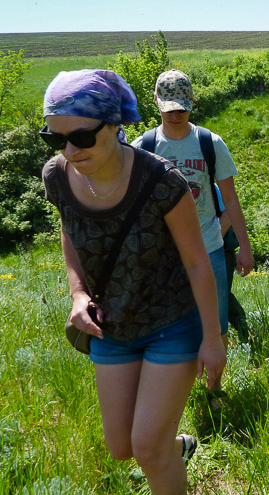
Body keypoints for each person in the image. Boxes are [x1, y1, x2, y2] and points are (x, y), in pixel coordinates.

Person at [40, 69, 225, 494]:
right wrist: (78, 293)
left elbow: (198, 263)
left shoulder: (162, 181)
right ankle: (173, 447)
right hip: (113, 324)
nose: (69, 150)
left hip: (172, 321)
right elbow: (70, 233)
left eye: (83, 137)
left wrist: (212, 339)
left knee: (146, 448)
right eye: (55, 139)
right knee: (122, 447)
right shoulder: (56, 175)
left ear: (115, 125)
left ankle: (161, 451)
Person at [132, 69, 253, 398]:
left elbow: (230, 199)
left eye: (181, 107)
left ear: (192, 102)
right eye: (168, 107)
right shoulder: (142, 147)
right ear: (155, 101)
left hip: (211, 250)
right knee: (168, 328)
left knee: (216, 326)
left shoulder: (209, 143)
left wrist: (244, 246)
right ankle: (174, 393)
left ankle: (214, 390)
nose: (175, 114)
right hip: (163, 257)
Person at [215, 184, 248, 343]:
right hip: (201, 248)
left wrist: (215, 237)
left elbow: (228, 213)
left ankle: (243, 329)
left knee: (222, 294)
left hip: (221, 248)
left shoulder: (212, 187)